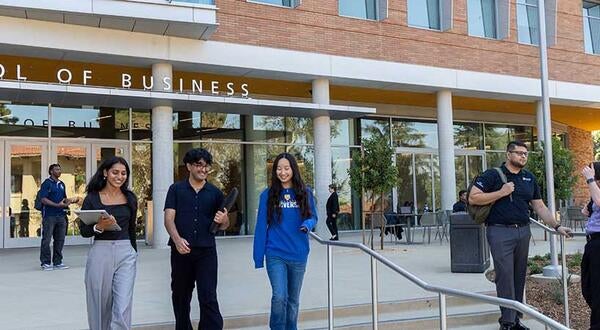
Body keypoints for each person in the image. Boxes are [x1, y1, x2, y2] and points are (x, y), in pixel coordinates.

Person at [469, 141, 572, 330]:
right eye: (519, 153)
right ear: (508, 155)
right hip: (499, 231)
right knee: (505, 275)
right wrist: (501, 192)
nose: (523, 156)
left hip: (523, 231)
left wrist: (556, 226)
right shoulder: (492, 175)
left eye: (525, 154)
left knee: (518, 276)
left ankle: (515, 319)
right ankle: (507, 322)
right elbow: (473, 197)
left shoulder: (529, 178)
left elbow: (539, 206)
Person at [164, 148, 229, 330]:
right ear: (189, 166)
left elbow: (223, 224)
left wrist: (224, 220)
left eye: (206, 165)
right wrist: (177, 240)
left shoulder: (215, 193)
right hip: (181, 251)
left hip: (206, 252)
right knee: (180, 296)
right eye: (199, 165)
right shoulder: (175, 189)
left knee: (208, 296)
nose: (203, 169)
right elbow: (168, 219)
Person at [253, 152, 318, 330]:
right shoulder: (267, 195)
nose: (283, 172)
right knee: (279, 296)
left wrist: (307, 224)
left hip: (298, 253)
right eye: (279, 169)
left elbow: (314, 217)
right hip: (275, 254)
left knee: (293, 300)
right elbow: (260, 228)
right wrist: (258, 257)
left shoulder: (305, 192)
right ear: (274, 171)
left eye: (286, 168)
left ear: (293, 169)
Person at [79, 157, 138, 330]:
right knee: (99, 305)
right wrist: (99, 226)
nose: (120, 176)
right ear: (105, 173)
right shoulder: (91, 199)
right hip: (100, 253)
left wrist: (133, 252)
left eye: (123, 173)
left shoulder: (130, 198)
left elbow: (132, 228)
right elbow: (84, 231)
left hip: (125, 252)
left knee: (123, 305)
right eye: (115, 172)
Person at [39, 163, 74, 271]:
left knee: (60, 239)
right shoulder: (47, 183)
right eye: (56, 169)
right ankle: (45, 262)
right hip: (49, 216)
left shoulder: (62, 184)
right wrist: (56, 205)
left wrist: (70, 201)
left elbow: (64, 199)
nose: (59, 171)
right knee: (47, 239)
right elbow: (43, 199)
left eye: (60, 169)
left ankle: (57, 262)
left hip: (61, 216)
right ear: (51, 171)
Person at [581, 161, 600, 329]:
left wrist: (590, 180)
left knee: (597, 289)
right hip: (592, 244)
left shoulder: (595, 187)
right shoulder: (596, 192)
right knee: (588, 286)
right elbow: (590, 209)